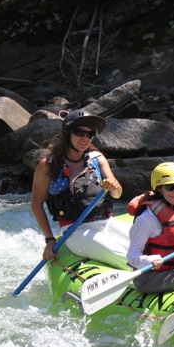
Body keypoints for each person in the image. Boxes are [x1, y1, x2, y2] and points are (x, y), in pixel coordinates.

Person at [31, 109, 130, 270]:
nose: (85, 138)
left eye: (90, 134)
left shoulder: (97, 158)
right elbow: (36, 204)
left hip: (106, 222)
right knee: (123, 256)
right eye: (79, 132)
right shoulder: (48, 165)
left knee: (145, 248)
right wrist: (49, 240)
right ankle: (149, 280)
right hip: (75, 230)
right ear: (67, 133)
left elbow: (117, 195)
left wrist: (114, 185)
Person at [125, 163, 174, 294]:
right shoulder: (147, 218)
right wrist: (149, 260)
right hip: (149, 277)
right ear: (159, 188)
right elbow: (132, 256)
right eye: (170, 187)